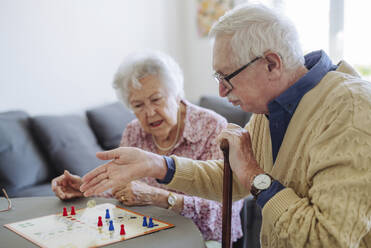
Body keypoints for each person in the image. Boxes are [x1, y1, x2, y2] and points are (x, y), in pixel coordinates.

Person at [79, 3, 371, 248]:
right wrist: (156, 164)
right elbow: (229, 177)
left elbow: (326, 239)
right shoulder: (271, 107)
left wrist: (254, 174)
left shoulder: (352, 109)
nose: (220, 92)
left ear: (271, 63)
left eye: (226, 77)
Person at [51, 50, 244, 245]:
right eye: (138, 105)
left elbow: (226, 209)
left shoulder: (212, 127)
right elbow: (119, 188)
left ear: (176, 95)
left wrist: (162, 198)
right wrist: (85, 188)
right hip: (146, 234)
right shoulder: (133, 132)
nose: (150, 113)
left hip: (202, 237)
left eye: (156, 99)